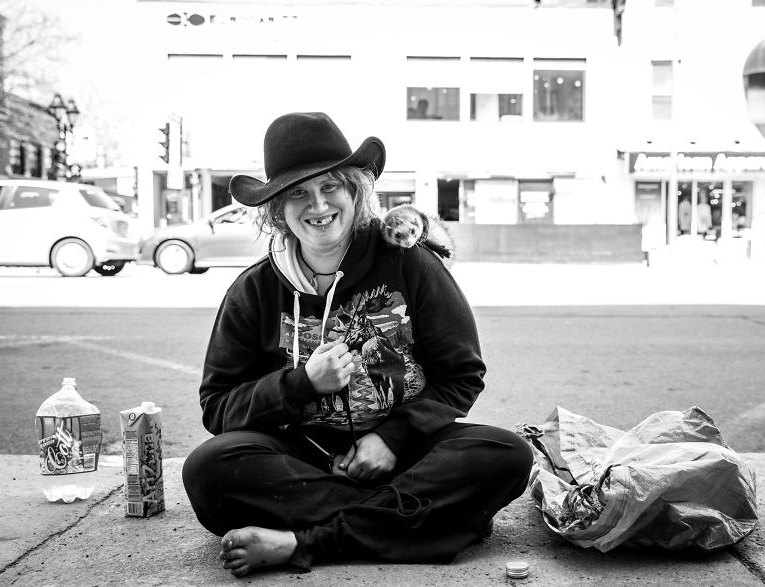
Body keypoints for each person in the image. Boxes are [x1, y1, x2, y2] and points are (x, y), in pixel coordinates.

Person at [182, 112, 532, 577]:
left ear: (354, 193)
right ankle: (430, 516)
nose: (318, 204)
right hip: (303, 460)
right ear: (276, 210)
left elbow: (462, 374)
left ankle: (307, 542)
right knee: (209, 470)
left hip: (407, 453)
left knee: (506, 454)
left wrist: (392, 438)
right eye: (298, 193)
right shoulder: (254, 290)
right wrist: (301, 384)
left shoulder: (412, 265)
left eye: (331, 187)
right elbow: (218, 407)